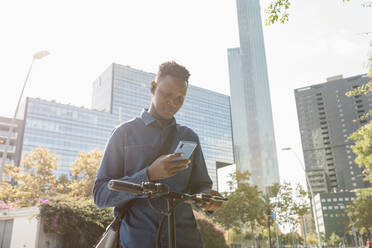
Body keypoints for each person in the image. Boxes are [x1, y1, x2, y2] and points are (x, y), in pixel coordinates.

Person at [93, 61, 222, 248]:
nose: (172, 103)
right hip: (138, 242)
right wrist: (149, 175)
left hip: (186, 241)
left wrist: (209, 199)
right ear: (153, 88)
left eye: (180, 98)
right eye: (167, 94)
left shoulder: (189, 137)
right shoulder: (124, 133)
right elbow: (100, 195)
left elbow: (200, 187)